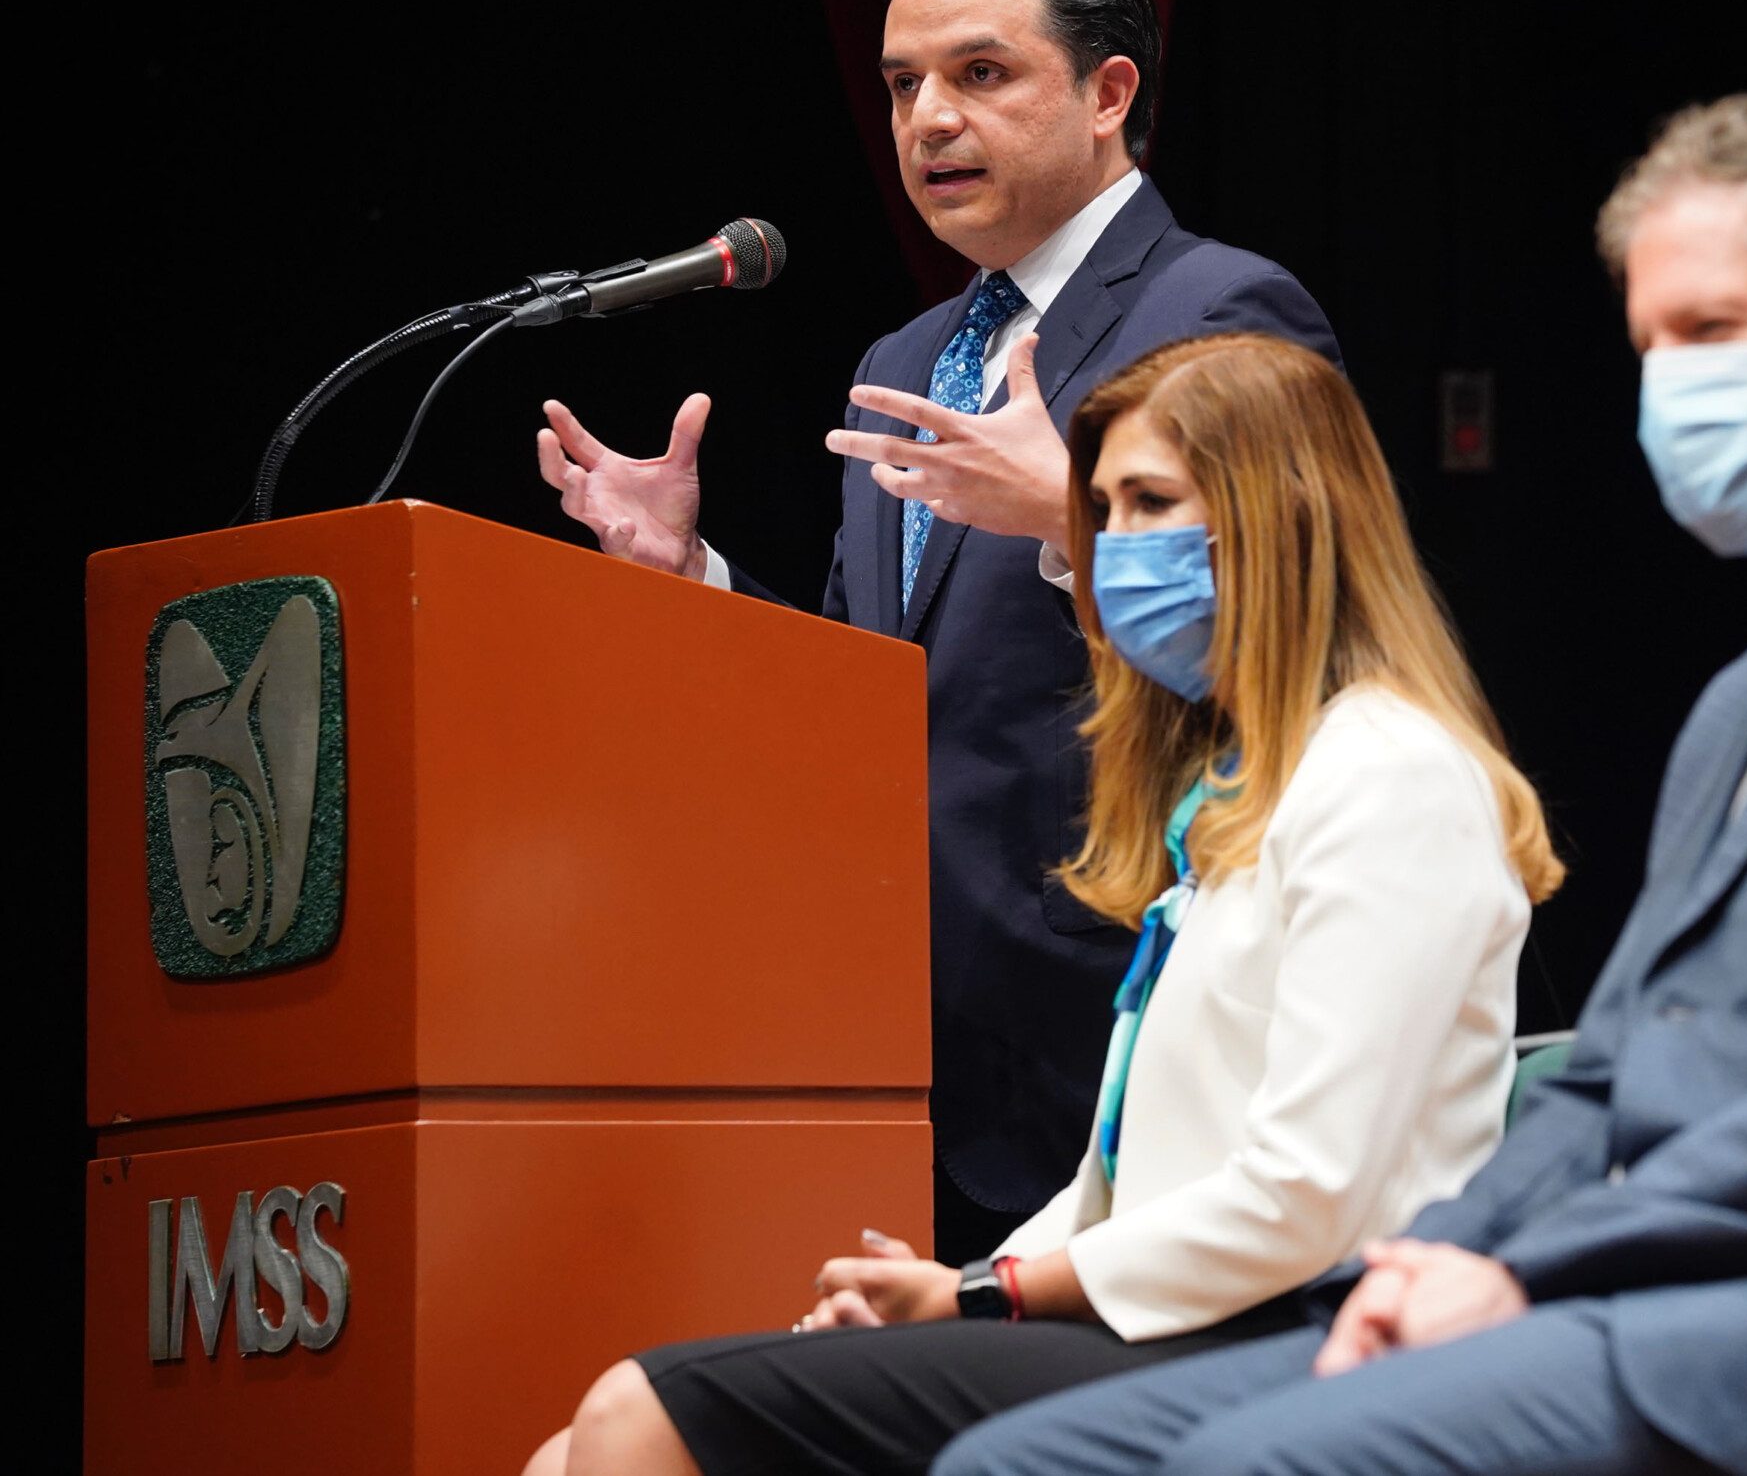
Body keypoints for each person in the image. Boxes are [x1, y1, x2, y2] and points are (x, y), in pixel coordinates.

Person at [936, 89, 1747, 1476]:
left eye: (1711, 333)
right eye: (1651, 344)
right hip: (1646, 1304)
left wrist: (1531, 1270)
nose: (1669, 388)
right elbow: (1610, 1072)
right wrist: (1434, 1257)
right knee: (1016, 1463)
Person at [524, 333, 1563, 1475]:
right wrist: (953, 1289)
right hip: (1177, 1315)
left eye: (1150, 502)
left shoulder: (1388, 773)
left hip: (1306, 1328)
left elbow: (1303, 1196)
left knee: (639, 1412)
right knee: (565, 1446)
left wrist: (988, 1294)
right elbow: (1125, 1177)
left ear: (1287, 517)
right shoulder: (1236, 789)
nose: (1112, 548)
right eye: (1101, 511)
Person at [533, 0, 1339, 1260]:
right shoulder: (908, 362)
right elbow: (874, 689)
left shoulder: (1218, 310)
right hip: (914, 1054)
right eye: (905, 83)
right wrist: (695, 574)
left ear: (1108, 92)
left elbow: (1302, 633)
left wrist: (1069, 511)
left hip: (1135, 1030)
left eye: (981, 73)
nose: (927, 120)